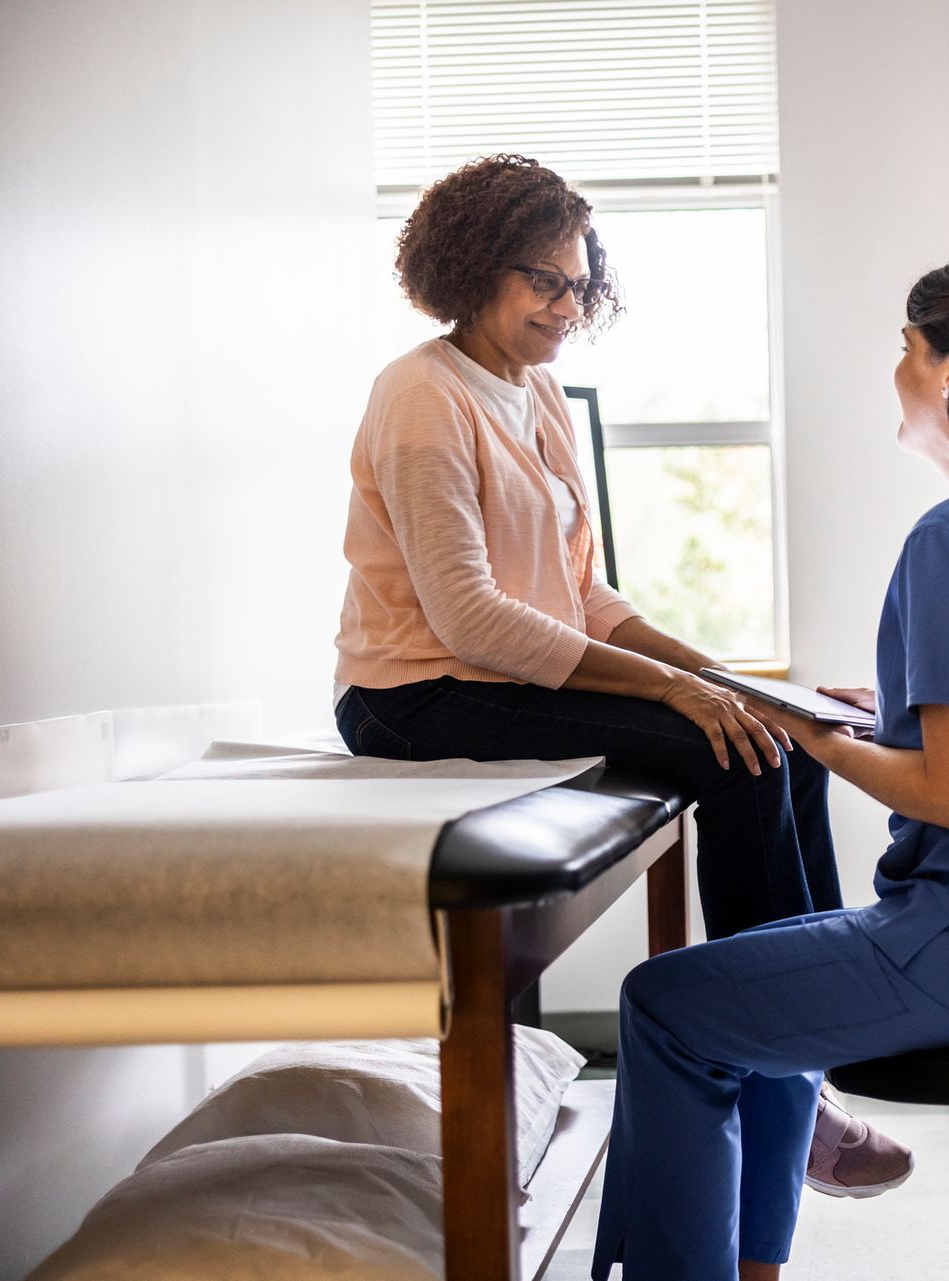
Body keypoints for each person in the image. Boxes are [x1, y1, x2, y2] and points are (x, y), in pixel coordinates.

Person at [331, 153, 903, 1192]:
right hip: (414, 695)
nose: (567, 305)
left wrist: (725, 676)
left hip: (508, 675)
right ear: (470, 269)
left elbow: (579, 593)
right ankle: (776, 1065)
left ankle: (816, 1039)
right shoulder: (421, 397)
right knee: (740, 762)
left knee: (788, 742)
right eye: (543, 280)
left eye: (579, 282)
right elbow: (470, 621)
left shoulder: (536, 393)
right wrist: (676, 695)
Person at [590, 257, 949, 1281]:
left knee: (666, 1007)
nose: (894, 372)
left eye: (905, 349)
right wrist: (892, 710)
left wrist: (827, 742)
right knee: (756, 981)